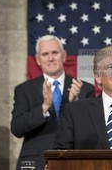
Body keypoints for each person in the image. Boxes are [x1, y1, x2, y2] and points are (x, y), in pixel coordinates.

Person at [10, 35, 95, 170]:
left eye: (55, 53)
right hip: (35, 162)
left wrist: (75, 105)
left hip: (73, 161)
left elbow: (91, 131)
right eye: (45, 54)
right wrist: (44, 107)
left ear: (64, 56)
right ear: (38, 59)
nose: (50, 58)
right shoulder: (24, 90)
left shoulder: (84, 89)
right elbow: (16, 128)